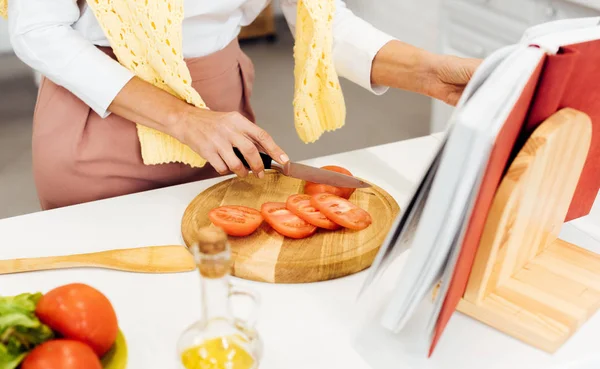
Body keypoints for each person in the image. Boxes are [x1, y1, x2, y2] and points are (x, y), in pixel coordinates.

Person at [6, 0, 481, 210]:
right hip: (102, 117)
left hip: (222, 112)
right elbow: (36, 29)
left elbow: (319, 19)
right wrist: (183, 117)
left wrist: (428, 71)